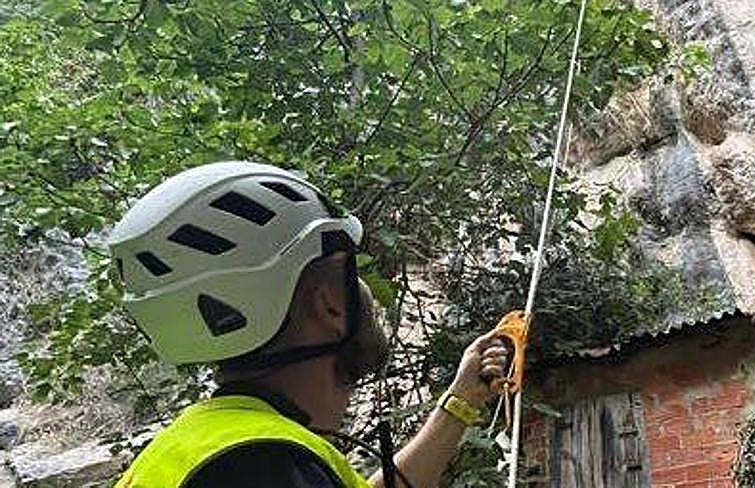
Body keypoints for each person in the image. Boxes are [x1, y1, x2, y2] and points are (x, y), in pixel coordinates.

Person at [110, 161, 510, 488]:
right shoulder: (260, 467)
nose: (366, 290)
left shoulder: (212, 447)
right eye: (350, 273)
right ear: (329, 304)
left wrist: (461, 402)